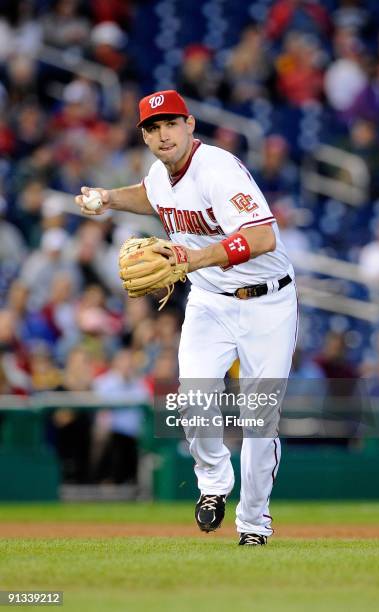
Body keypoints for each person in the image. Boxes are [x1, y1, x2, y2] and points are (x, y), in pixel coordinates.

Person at [75, 90, 298, 546]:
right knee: (193, 399)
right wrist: (106, 198)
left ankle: (254, 525)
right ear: (144, 136)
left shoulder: (218, 169)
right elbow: (150, 196)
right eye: (153, 128)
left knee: (260, 421)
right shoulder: (160, 175)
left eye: (171, 124)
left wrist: (195, 259)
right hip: (211, 300)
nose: (163, 134)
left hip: (268, 304)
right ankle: (214, 485)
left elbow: (261, 237)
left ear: (190, 124)